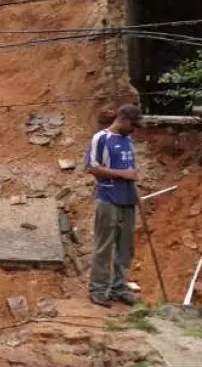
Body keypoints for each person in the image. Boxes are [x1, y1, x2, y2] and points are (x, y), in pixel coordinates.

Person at [85, 104, 143, 308]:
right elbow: (92, 167)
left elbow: (130, 170)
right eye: (133, 124)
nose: (134, 129)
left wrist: (134, 187)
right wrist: (122, 175)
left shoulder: (127, 140)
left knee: (126, 247)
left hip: (128, 200)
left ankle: (119, 287)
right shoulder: (101, 138)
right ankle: (98, 290)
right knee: (104, 247)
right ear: (123, 119)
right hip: (108, 198)